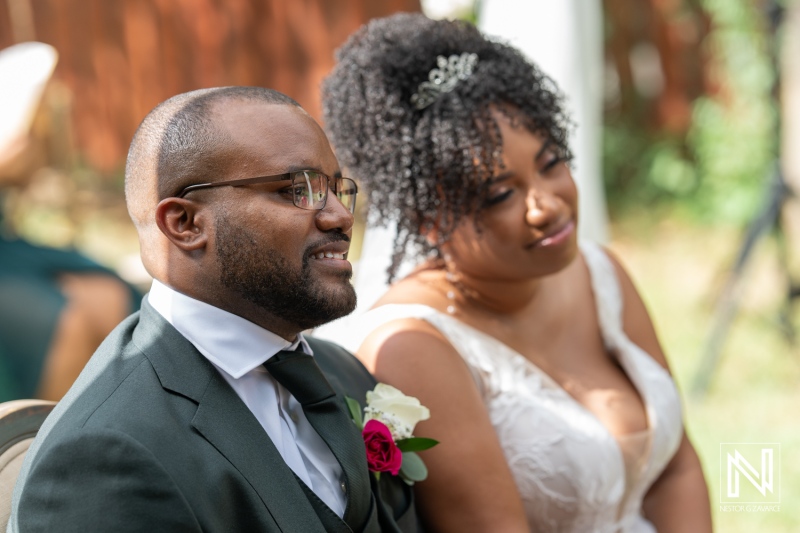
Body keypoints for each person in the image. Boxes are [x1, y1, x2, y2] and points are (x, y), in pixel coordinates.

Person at [320, 13, 712, 532]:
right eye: (502, 194)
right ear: (430, 220)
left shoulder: (601, 273)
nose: (546, 205)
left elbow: (677, 466)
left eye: (551, 163)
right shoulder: (416, 347)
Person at [7, 86, 417, 532]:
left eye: (337, 188)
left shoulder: (343, 374)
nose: (339, 216)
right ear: (185, 223)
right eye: (298, 189)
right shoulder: (105, 452)